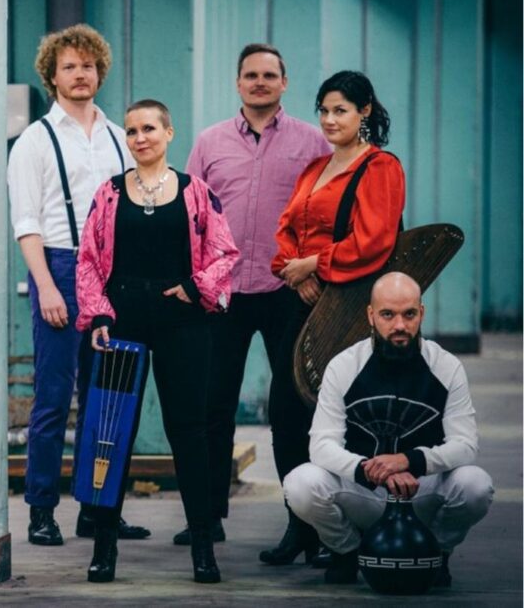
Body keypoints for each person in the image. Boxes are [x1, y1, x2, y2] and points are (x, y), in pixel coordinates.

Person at [76, 99, 239, 583]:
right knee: (111, 432)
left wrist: (196, 287)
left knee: (189, 432)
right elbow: (87, 260)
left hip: (183, 322)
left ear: (169, 132)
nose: (140, 137)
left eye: (149, 128)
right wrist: (99, 314)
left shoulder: (197, 193)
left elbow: (225, 252)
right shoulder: (108, 194)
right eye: (131, 131)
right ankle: (104, 545)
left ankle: (203, 548)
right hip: (122, 324)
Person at [178, 43, 332, 550]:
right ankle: (207, 516)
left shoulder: (313, 144)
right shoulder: (209, 142)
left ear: (285, 83)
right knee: (213, 406)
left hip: (287, 292)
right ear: (238, 83)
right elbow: (191, 216)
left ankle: (302, 523)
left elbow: (324, 216)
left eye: (270, 75)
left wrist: (313, 272)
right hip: (222, 294)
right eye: (251, 75)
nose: (260, 82)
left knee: (291, 410)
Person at [7, 24, 149, 545]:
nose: (80, 73)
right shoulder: (34, 141)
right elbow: (27, 222)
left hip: (115, 271)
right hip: (59, 267)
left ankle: (99, 509)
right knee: (52, 397)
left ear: (99, 71)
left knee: (106, 395)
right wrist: (45, 285)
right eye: (69, 66)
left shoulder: (118, 136)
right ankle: (41, 510)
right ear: (52, 75)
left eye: (88, 65)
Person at [267, 70, 406, 565]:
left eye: (341, 110)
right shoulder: (315, 169)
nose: (329, 119)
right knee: (285, 412)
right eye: (324, 110)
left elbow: (375, 240)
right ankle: (300, 524)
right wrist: (294, 268)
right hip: (300, 303)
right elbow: (287, 229)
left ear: (364, 112)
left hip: (347, 311)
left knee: (340, 418)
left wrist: (318, 265)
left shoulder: (380, 167)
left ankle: (341, 529)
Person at [284, 272, 494, 586]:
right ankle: (348, 552)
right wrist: (370, 469)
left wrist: (409, 460)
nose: (399, 326)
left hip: (421, 492)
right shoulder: (343, 366)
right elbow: (322, 445)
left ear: (421, 313)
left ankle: (436, 551)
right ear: (370, 315)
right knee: (299, 484)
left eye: (409, 314)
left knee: (476, 485)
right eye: (387, 314)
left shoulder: (446, 366)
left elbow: (465, 444)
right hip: (365, 493)